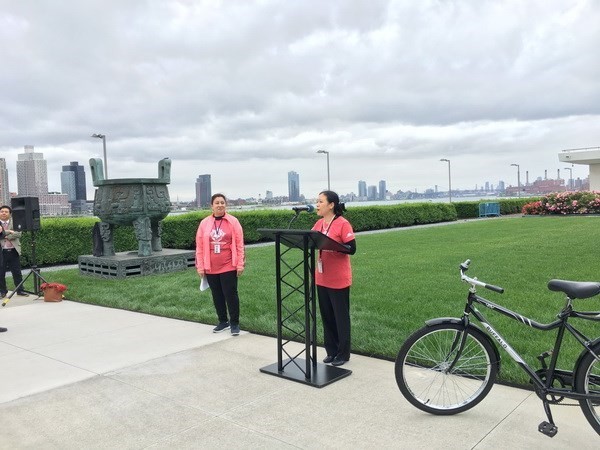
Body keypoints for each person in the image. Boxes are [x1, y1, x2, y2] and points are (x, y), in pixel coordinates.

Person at [312, 190, 356, 367]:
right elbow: (311, 240)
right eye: (317, 201)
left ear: (331, 205)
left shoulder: (343, 224)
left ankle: (343, 354)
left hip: (338, 279)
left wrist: (334, 246)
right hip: (321, 278)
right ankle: (331, 351)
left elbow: (351, 248)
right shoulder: (319, 223)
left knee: (340, 317)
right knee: (327, 316)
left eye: (320, 201)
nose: (317, 204)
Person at [195, 194, 245, 336]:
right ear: (212, 206)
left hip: (229, 264)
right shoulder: (204, 223)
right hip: (211, 266)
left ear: (226, 205)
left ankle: (234, 323)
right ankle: (223, 321)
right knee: (217, 295)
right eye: (217, 203)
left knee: (230, 294)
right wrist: (200, 266)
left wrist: (240, 264)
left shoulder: (233, 222)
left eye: (222, 202)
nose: (220, 205)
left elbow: (240, 244)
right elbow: (199, 247)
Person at [0, 205, 29, 300]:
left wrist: (4, 235)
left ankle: (20, 290)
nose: (3, 213)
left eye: (6, 212)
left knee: (17, 272)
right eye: (2, 211)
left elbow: (18, 234)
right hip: (2, 251)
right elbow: (13, 233)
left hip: (13, 250)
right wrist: (9, 231)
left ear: (10, 214)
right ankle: (3, 291)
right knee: (1, 273)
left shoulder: (15, 222)